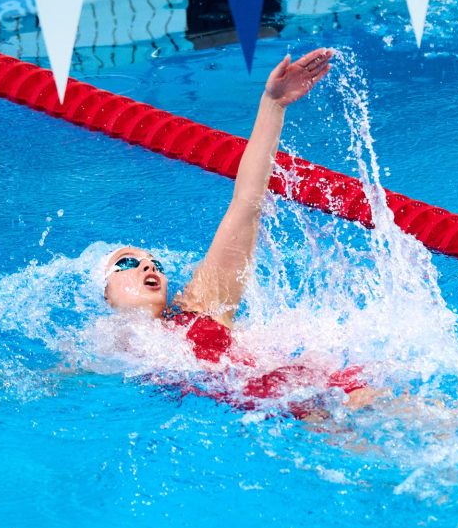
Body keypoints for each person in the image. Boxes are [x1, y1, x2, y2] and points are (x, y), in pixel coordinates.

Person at [100, 48, 383, 415]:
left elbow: (247, 202)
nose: (148, 266)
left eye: (155, 263)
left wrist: (273, 105)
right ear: (105, 293)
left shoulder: (201, 305)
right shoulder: (101, 346)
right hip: (292, 406)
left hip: (304, 385)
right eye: (127, 262)